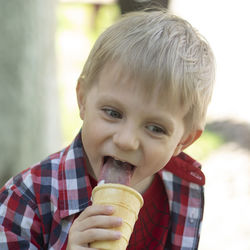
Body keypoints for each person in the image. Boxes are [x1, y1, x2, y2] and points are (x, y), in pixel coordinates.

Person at [0, 9, 215, 250]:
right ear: (82, 100)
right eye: (113, 113)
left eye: (155, 128)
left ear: (183, 141)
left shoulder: (182, 188)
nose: (126, 141)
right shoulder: (26, 199)